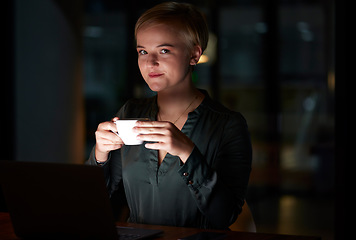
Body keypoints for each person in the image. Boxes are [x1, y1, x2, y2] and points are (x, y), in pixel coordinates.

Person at [86, 1, 252, 230]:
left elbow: (225, 215)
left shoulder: (227, 125)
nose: (150, 62)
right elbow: (91, 202)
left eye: (164, 50)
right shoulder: (130, 113)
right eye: (142, 51)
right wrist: (100, 154)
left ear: (194, 53)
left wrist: (188, 152)